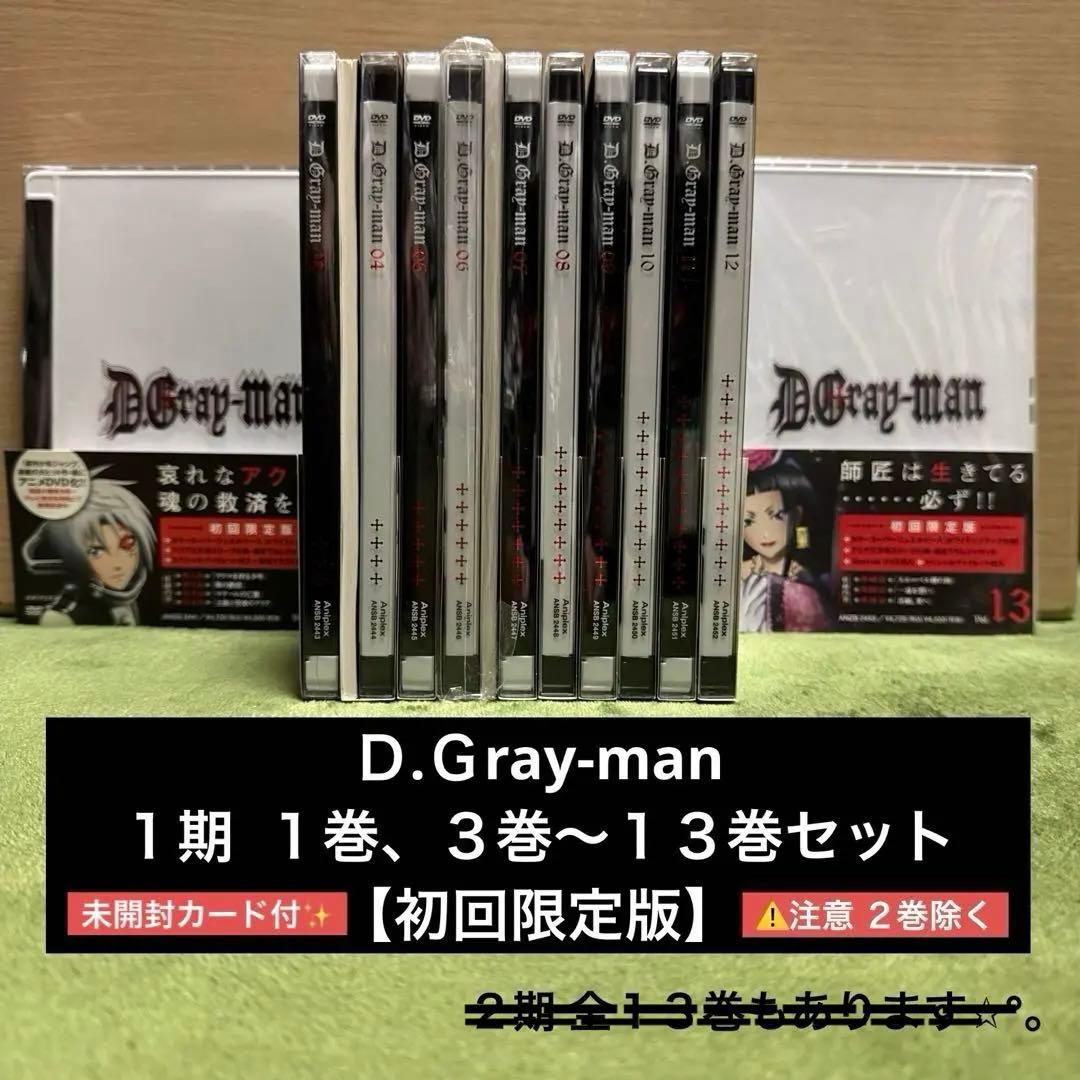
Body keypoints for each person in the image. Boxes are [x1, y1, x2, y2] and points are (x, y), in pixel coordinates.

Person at [22, 468, 155, 625]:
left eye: (127, 545)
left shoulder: (128, 596)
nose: (117, 564)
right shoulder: (62, 617)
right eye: (96, 552)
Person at [740, 449, 829, 631]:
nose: (765, 531)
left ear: (796, 515)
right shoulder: (736, 577)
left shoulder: (807, 586)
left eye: (777, 515)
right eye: (748, 521)